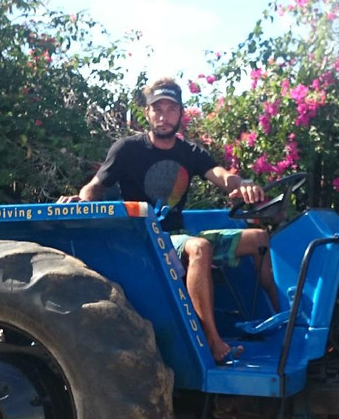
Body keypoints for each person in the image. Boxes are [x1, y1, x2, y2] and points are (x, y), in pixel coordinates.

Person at [61, 77, 279, 363]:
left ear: (180, 114)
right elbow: (95, 186)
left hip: (177, 235)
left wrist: (244, 184)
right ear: (148, 113)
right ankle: (211, 342)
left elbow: (221, 176)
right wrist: (82, 202)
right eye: (158, 109)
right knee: (199, 248)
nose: (164, 117)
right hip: (148, 239)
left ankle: (280, 321)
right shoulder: (128, 149)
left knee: (259, 239)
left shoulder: (190, 152)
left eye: (171, 109)